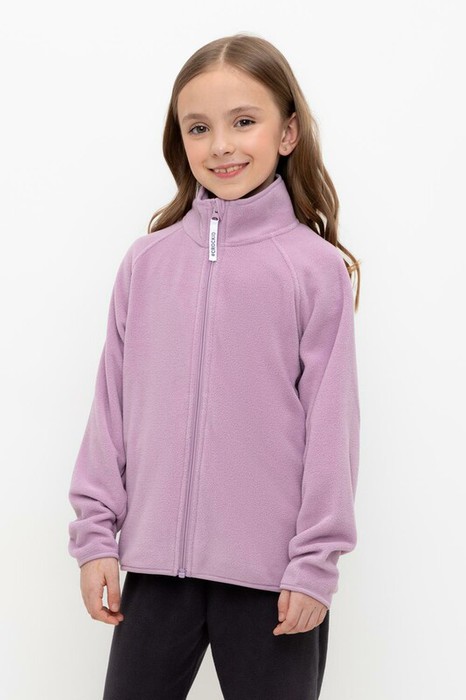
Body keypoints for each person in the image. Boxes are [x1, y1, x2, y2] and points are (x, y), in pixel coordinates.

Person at [68, 32, 361, 700]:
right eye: (199, 127)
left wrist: (314, 564)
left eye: (244, 121)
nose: (221, 145)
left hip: (272, 581)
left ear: (287, 132)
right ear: (180, 140)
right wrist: (96, 539)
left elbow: (332, 428)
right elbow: (111, 408)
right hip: (154, 572)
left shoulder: (314, 270)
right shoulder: (147, 264)